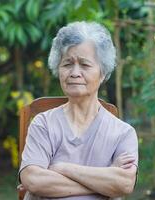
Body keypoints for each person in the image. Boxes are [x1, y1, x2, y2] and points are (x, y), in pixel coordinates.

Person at [18, 21, 139, 200]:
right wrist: (104, 182)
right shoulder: (43, 123)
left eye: (85, 65)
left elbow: (124, 184)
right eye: (67, 64)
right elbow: (34, 181)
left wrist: (60, 167)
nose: (75, 73)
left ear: (103, 73)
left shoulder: (123, 133)